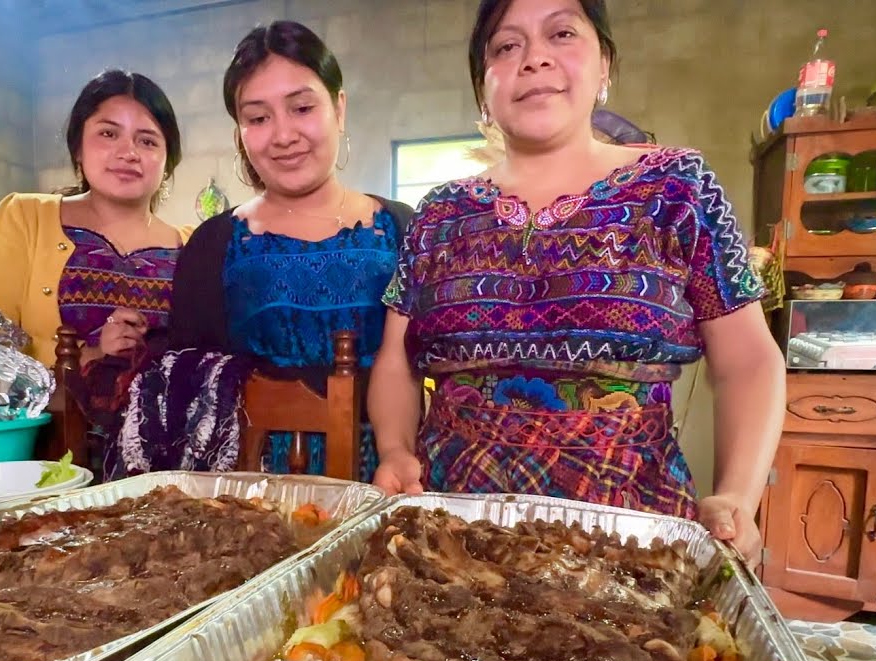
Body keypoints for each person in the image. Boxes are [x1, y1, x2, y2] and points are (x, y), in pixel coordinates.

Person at [367, 0, 785, 561]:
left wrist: (738, 494)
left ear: (604, 64)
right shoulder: (439, 214)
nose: (534, 58)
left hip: (629, 537)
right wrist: (395, 449)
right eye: (506, 45)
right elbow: (396, 357)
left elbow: (749, 361)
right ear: (481, 88)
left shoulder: (678, 189)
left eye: (561, 33)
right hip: (452, 537)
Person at [143, 20, 412, 479]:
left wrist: (398, 455)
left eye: (302, 107)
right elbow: (192, 400)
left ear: (339, 109)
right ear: (241, 132)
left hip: (388, 480)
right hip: (257, 495)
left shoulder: (401, 228)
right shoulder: (213, 246)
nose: (283, 135)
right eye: (258, 118)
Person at [0, 69, 191, 473]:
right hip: (48, 464)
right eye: (108, 134)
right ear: (78, 146)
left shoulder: (193, 245)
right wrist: (90, 356)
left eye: (147, 140)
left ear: (167, 159)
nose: (128, 152)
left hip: (165, 471)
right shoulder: (25, 218)